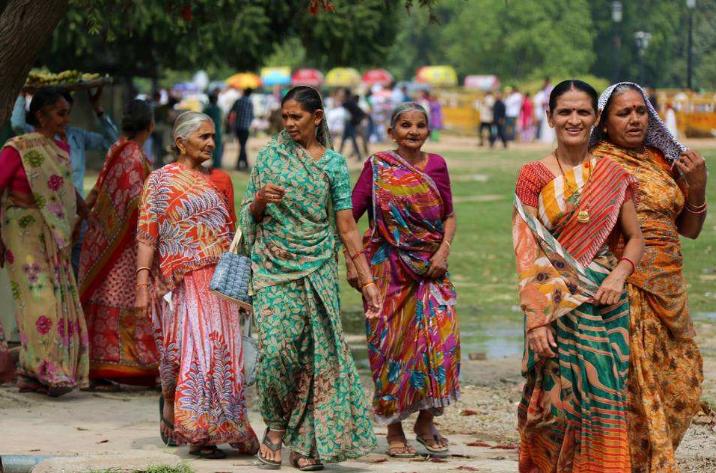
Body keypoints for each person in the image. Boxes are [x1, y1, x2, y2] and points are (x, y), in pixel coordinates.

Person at [240, 86, 379, 470]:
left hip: (317, 267)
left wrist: (366, 280)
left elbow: (347, 225)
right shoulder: (269, 157)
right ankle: (275, 425)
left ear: (317, 117)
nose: (289, 124)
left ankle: (307, 443)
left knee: (316, 356)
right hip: (272, 269)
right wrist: (260, 201)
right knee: (276, 353)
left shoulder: (333, 164)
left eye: (296, 117)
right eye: (284, 117)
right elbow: (248, 214)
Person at [513, 80, 644, 472]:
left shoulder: (613, 175)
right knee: (552, 409)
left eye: (583, 112)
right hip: (553, 308)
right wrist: (536, 320)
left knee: (605, 400)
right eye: (565, 112)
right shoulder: (533, 175)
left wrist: (619, 275)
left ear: (596, 118)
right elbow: (527, 249)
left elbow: (635, 238)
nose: (574, 119)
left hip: (607, 305)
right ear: (550, 117)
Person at [590, 82, 708, 472]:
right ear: (605, 123)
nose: (635, 119)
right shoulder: (598, 165)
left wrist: (697, 188)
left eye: (641, 110)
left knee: (684, 382)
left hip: (670, 288)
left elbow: (688, 230)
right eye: (623, 113)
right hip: (628, 286)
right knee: (637, 390)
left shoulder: (661, 161)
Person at [135, 111, 258, 459]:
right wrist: (143, 282)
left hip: (219, 283)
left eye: (213, 137)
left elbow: (232, 232)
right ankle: (195, 426)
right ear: (180, 142)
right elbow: (147, 234)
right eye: (203, 136)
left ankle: (221, 426)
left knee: (221, 354)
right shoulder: (160, 182)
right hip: (180, 283)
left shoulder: (219, 180)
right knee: (189, 353)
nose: (210, 143)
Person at [350, 102, 459, 458]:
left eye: (420, 125)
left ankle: (426, 420)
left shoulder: (438, 165)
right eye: (405, 125)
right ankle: (394, 426)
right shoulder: (378, 167)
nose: (413, 131)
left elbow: (449, 216)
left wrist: (443, 252)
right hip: (388, 272)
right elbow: (350, 216)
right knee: (392, 349)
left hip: (431, 271)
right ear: (392, 131)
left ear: (428, 130)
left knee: (440, 346)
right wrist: (354, 264)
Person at [0, 87, 90, 396]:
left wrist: (82, 206)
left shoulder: (58, 149)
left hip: (52, 235)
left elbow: (63, 187)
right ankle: (48, 370)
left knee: (53, 299)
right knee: (41, 302)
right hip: (20, 231)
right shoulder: (18, 149)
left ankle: (31, 373)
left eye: (67, 113)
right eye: (60, 113)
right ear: (40, 114)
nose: (66, 120)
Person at [78, 99, 159, 387]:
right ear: (149, 126)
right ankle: (131, 366)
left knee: (108, 296)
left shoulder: (117, 148)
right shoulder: (134, 155)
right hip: (125, 246)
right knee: (128, 296)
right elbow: (137, 203)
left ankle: (103, 365)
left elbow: (102, 188)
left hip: (105, 239)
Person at [230, 87, 254, 170]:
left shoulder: (238, 101)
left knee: (242, 145)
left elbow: (231, 112)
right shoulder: (250, 102)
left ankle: (240, 164)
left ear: (244, 92)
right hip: (246, 128)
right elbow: (252, 116)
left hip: (238, 127)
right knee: (243, 145)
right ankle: (244, 164)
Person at [339, 89, 366, 161]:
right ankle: (339, 154)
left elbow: (343, 105)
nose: (341, 95)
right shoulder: (350, 101)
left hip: (350, 124)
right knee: (345, 139)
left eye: (342, 94)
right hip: (350, 123)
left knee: (351, 139)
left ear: (346, 94)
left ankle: (359, 155)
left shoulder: (348, 102)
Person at [203, 89, 224, 169]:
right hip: (217, 131)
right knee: (218, 147)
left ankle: (215, 163)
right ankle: (217, 164)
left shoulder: (207, 109)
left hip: (208, 131)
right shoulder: (218, 109)